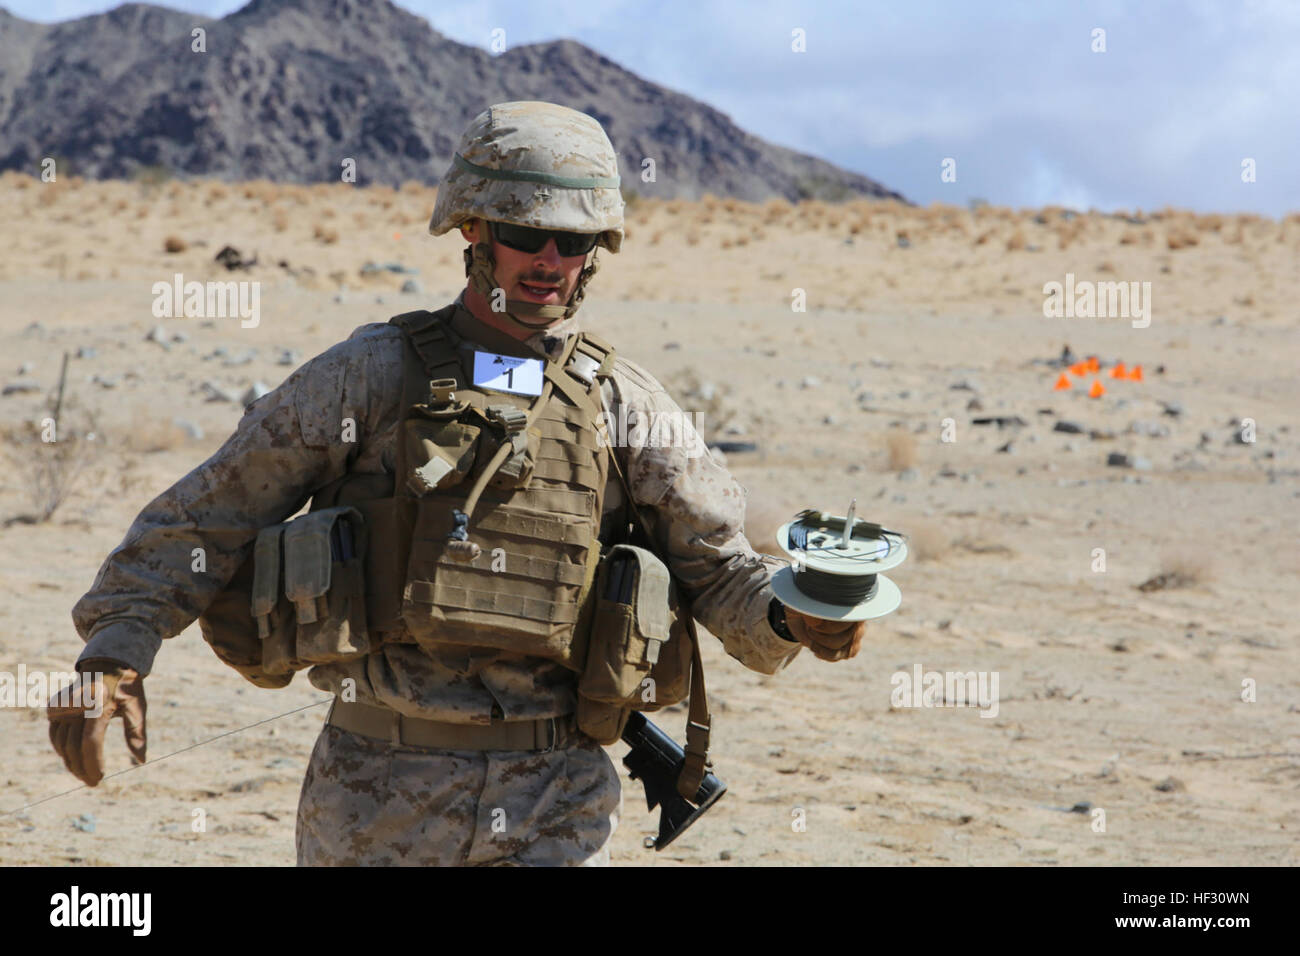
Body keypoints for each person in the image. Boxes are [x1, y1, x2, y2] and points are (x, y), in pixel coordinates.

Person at [48, 100, 866, 866]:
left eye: (574, 241)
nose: (550, 261)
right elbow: (209, 515)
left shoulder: (627, 405)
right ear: (472, 227)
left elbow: (719, 567)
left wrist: (798, 617)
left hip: (559, 799)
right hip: (375, 793)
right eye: (525, 231)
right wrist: (115, 652)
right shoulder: (371, 375)